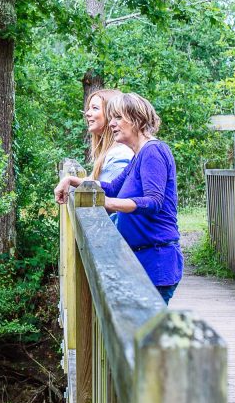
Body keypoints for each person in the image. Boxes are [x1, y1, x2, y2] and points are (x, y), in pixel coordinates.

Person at [55, 92, 182, 304]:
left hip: (156, 261)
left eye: (118, 118)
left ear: (136, 119)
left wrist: (105, 203)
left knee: (147, 336)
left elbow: (153, 202)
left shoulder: (154, 151)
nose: (111, 124)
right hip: (140, 261)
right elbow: (112, 187)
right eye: (111, 118)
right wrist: (72, 180)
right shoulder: (139, 155)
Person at [85, 89, 133, 184]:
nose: (87, 113)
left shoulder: (119, 154)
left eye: (95, 108)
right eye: (88, 108)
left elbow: (106, 195)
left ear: (111, 114)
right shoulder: (110, 153)